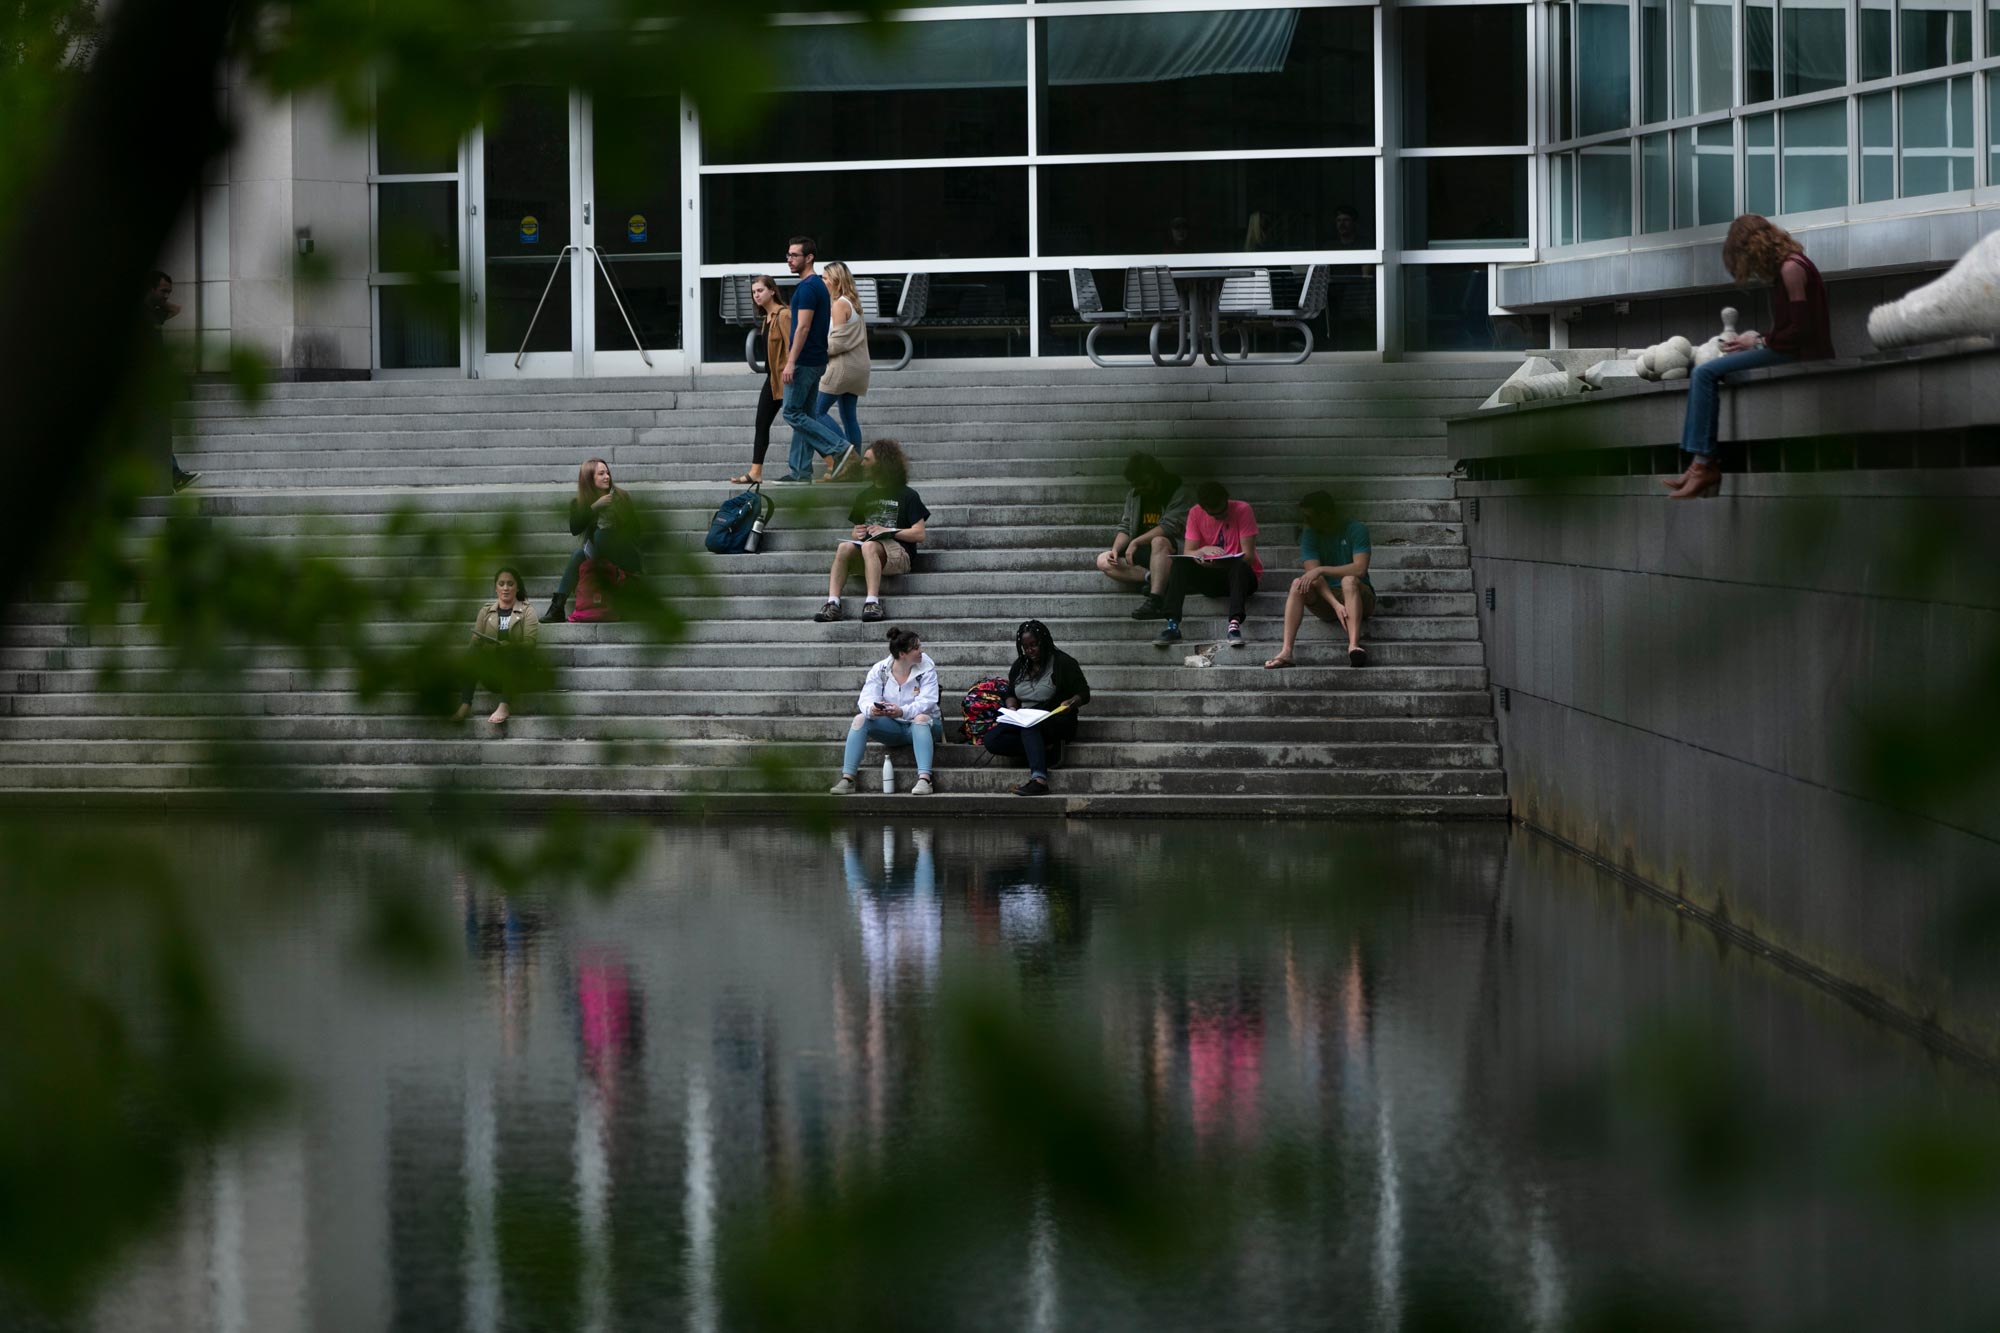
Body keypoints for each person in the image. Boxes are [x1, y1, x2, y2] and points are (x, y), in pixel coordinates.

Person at [1666, 214, 1833, 500]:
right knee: (1715, 371)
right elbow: (1795, 326)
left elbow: (1802, 329)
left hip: (1800, 354)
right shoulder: (1792, 265)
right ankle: (1699, 464)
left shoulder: (1792, 268)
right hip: (1791, 349)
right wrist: (1755, 342)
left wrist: (1757, 340)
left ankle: (1703, 465)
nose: (1750, 268)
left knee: (1704, 373)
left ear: (1752, 247)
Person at [814, 439, 929, 624]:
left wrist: (889, 531)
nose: (862, 464)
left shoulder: (908, 495)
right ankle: (833, 603)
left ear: (881, 463)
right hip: (871, 552)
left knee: (868, 547)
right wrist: (857, 533)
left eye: (867, 460)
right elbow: (855, 531)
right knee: (844, 547)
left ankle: (872, 603)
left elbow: (919, 534)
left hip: (899, 554)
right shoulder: (864, 496)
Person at [1264, 491, 1372, 670]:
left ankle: (1353, 645)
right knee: (1298, 584)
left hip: (1360, 596)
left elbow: (1360, 568)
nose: (1305, 521)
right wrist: (1336, 605)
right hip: (1328, 599)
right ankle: (1286, 651)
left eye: (1309, 516)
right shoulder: (1310, 535)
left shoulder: (1356, 529)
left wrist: (1322, 569)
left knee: (1348, 580)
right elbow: (1312, 579)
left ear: (1325, 515)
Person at [983, 619, 1091, 798]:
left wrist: (1071, 702)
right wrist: (1011, 707)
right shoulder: (1020, 665)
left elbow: (1084, 693)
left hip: (1056, 719)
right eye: (1026, 647)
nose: (1030, 651)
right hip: (1024, 717)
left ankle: (1039, 780)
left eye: (1034, 645)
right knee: (992, 739)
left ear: (1044, 641)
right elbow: (1010, 693)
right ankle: (1045, 750)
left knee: (1030, 727)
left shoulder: (1064, 662)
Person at [829, 626, 941, 796]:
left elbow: (929, 701)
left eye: (920, 646)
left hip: (925, 727)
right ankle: (848, 779)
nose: (921, 651)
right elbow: (865, 698)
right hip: (893, 728)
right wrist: (872, 710)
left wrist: (902, 711)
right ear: (902, 654)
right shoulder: (880, 670)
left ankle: (925, 779)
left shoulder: (927, 667)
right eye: (916, 648)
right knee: (860, 719)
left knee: (920, 718)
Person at [777, 235, 853, 482]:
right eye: (788, 255)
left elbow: (803, 327)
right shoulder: (818, 286)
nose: (789, 260)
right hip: (816, 360)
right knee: (805, 415)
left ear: (809, 258)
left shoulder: (809, 287)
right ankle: (800, 472)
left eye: (794, 255)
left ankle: (840, 448)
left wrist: (790, 361)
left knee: (791, 412)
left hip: (805, 361)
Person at [1152, 481, 1260, 649]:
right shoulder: (1195, 513)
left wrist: (1224, 562)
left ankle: (1234, 625)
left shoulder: (1242, 509)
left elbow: (1249, 556)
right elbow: (1188, 551)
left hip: (1240, 578)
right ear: (1203, 508)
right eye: (1214, 515)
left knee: (1239, 566)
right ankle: (1172, 625)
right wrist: (1202, 550)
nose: (1220, 517)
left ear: (1226, 499)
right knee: (1180, 563)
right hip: (1210, 574)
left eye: (1223, 511)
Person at [546, 458, 644, 622]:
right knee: (578, 554)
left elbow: (636, 531)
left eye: (607, 473)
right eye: (601, 473)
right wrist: (594, 507)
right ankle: (557, 608)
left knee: (601, 534)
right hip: (598, 553)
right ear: (589, 478)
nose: (607, 476)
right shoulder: (580, 503)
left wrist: (616, 512)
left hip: (623, 553)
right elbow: (574, 528)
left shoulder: (621, 497)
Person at [1101, 451, 1196, 618]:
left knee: (1159, 541)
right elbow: (1125, 525)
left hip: (1171, 554)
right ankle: (1156, 579)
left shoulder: (1178, 492)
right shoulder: (1135, 495)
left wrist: (1136, 542)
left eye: (1144, 483)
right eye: (1135, 484)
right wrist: (1115, 550)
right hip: (1143, 554)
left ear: (1156, 475)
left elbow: (1168, 526)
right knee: (1103, 560)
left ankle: (1156, 600)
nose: (1140, 488)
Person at [458, 567, 540, 726]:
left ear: (517, 587)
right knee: (472, 651)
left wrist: (510, 646)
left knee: (512, 650)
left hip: (519, 673)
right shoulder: (486, 611)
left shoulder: (527, 611)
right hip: (493, 674)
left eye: (510, 584)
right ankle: (465, 704)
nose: (506, 588)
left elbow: (530, 644)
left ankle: (504, 704)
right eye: (501, 584)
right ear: (496, 587)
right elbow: (475, 643)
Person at [730, 275, 790, 486]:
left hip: (786, 378)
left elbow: (793, 346)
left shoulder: (783, 315)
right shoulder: (767, 318)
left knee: (801, 421)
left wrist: (790, 369)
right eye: (754, 292)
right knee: (761, 423)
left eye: (760, 290)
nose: (756, 295)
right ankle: (755, 472)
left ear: (772, 291)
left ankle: (832, 460)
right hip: (772, 378)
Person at [144, 271, 199, 493]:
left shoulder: (153, 313)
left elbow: (176, 310)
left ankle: (174, 474)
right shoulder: (144, 314)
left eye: (169, 292)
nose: (167, 296)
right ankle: (173, 475)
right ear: (151, 288)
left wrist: (158, 300)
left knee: (157, 431)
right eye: (163, 291)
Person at [814, 260, 869, 480]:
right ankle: (854, 471)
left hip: (842, 368)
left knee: (815, 412)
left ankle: (848, 455)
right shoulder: (854, 302)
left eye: (825, 278)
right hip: (858, 369)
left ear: (836, 281)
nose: (823, 281)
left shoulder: (838, 305)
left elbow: (836, 343)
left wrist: (813, 350)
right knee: (849, 418)